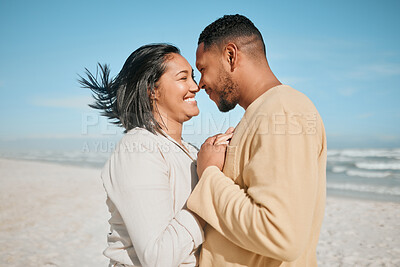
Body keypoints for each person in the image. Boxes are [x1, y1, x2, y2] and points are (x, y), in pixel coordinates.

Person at [187, 15, 327, 266]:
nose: (200, 84)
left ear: (230, 56)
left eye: (203, 69)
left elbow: (281, 234)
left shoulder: (282, 112)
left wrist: (208, 173)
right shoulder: (265, 112)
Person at [79, 44, 225, 267]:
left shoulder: (190, 151)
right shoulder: (138, 149)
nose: (195, 87)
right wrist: (207, 184)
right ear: (151, 90)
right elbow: (158, 258)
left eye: (193, 78)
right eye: (183, 78)